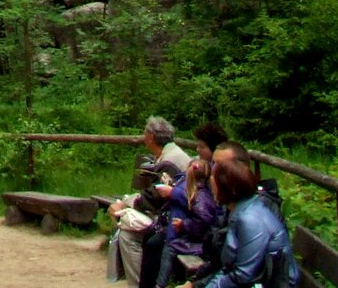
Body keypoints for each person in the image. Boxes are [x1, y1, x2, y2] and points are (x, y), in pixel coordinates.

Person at [108, 117, 193, 286]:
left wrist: (124, 203)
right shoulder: (170, 154)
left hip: (175, 219)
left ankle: (140, 283)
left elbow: (154, 198)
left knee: (128, 234)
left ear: (151, 138)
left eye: (145, 134)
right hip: (173, 214)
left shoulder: (170, 160)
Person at [201, 156, 298, 288]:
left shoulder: (251, 220)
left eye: (214, 181)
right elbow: (230, 269)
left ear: (230, 188)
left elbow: (243, 275)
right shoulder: (243, 210)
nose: (211, 186)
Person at [156, 157, 223, 286]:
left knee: (170, 248)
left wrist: (184, 224)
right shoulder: (200, 192)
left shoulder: (200, 196)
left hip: (204, 243)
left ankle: (161, 284)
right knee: (170, 245)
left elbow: (204, 223)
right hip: (203, 240)